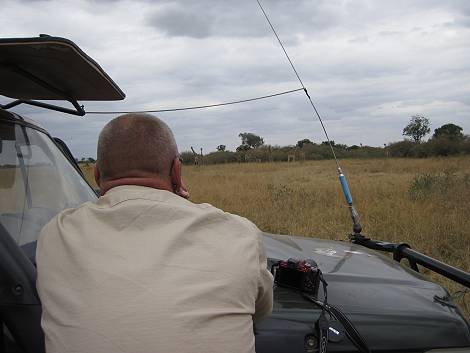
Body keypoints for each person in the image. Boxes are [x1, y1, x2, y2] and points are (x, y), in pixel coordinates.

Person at [36, 113, 273, 353]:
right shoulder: (238, 234)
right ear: (177, 172)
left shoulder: (55, 233)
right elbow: (261, 309)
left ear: (97, 175)